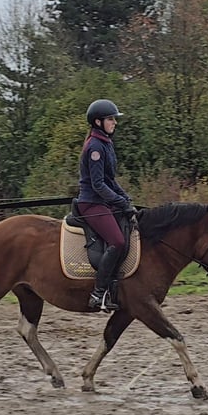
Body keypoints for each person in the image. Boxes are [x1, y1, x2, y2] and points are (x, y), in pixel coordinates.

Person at [76, 98, 133, 311]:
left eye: (114, 119)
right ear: (98, 122)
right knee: (117, 242)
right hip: (91, 204)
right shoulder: (95, 147)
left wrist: (125, 198)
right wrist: (118, 201)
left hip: (103, 202)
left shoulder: (106, 144)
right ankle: (98, 293)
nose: (114, 123)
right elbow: (98, 185)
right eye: (110, 119)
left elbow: (110, 181)